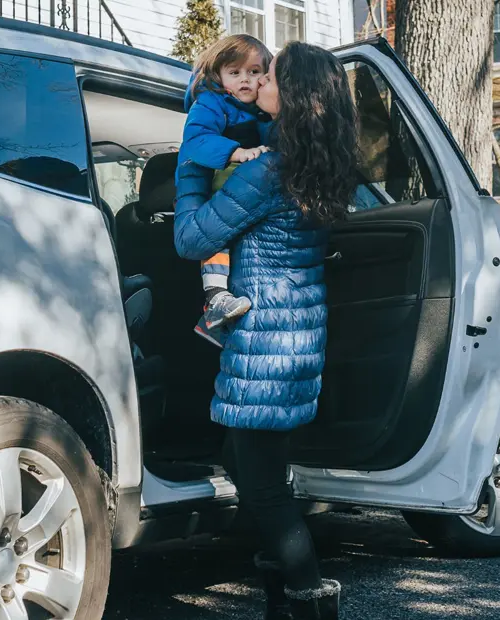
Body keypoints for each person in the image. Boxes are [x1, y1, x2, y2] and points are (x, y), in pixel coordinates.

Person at [174, 41, 359, 620]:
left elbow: (192, 239)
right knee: (245, 460)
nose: (259, 83)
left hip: (265, 342)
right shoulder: (318, 163)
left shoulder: (269, 172)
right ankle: (281, 592)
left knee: (263, 485)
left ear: (296, 94)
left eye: (271, 75)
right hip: (297, 334)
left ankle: (308, 600)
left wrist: (188, 170)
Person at [177, 34, 273, 331]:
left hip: (235, 182)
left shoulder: (259, 108)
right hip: (210, 180)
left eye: (254, 72)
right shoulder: (210, 102)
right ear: (218, 76)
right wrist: (237, 152)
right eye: (235, 72)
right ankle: (215, 296)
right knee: (216, 236)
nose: (245, 79)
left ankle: (216, 324)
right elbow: (196, 139)